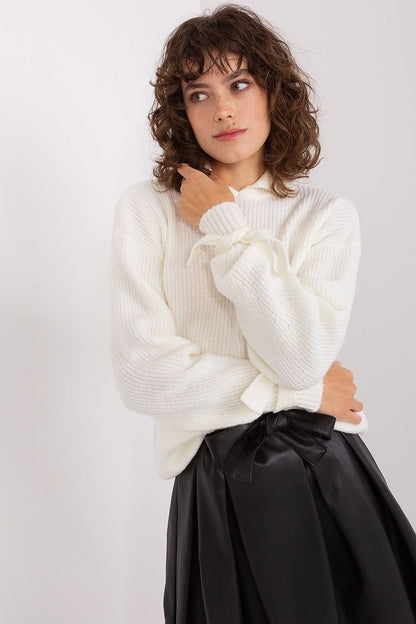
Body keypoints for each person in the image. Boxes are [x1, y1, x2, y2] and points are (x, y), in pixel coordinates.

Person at [110, 4, 416, 623]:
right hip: (213, 484)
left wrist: (223, 224)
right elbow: (144, 375)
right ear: (180, 111)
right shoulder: (147, 211)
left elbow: (299, 349)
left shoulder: (325, 216)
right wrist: (301, 389)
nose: (222, 108)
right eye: (199, 93)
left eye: (239, 83)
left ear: (274, 90)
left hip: (321, 473)